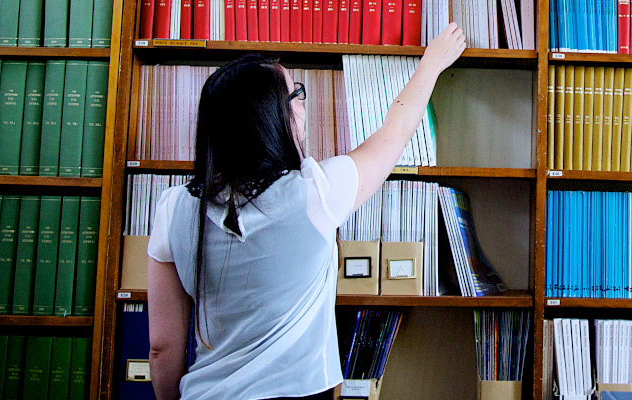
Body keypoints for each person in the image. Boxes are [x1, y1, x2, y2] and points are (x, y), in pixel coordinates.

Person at [145, 23, 468, 400]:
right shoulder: (317, 191)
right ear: (274, 118)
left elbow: (161, 347)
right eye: (295, 94)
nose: (303, 103)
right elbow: (395, 132)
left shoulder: (173, 208)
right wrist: (431, 63)